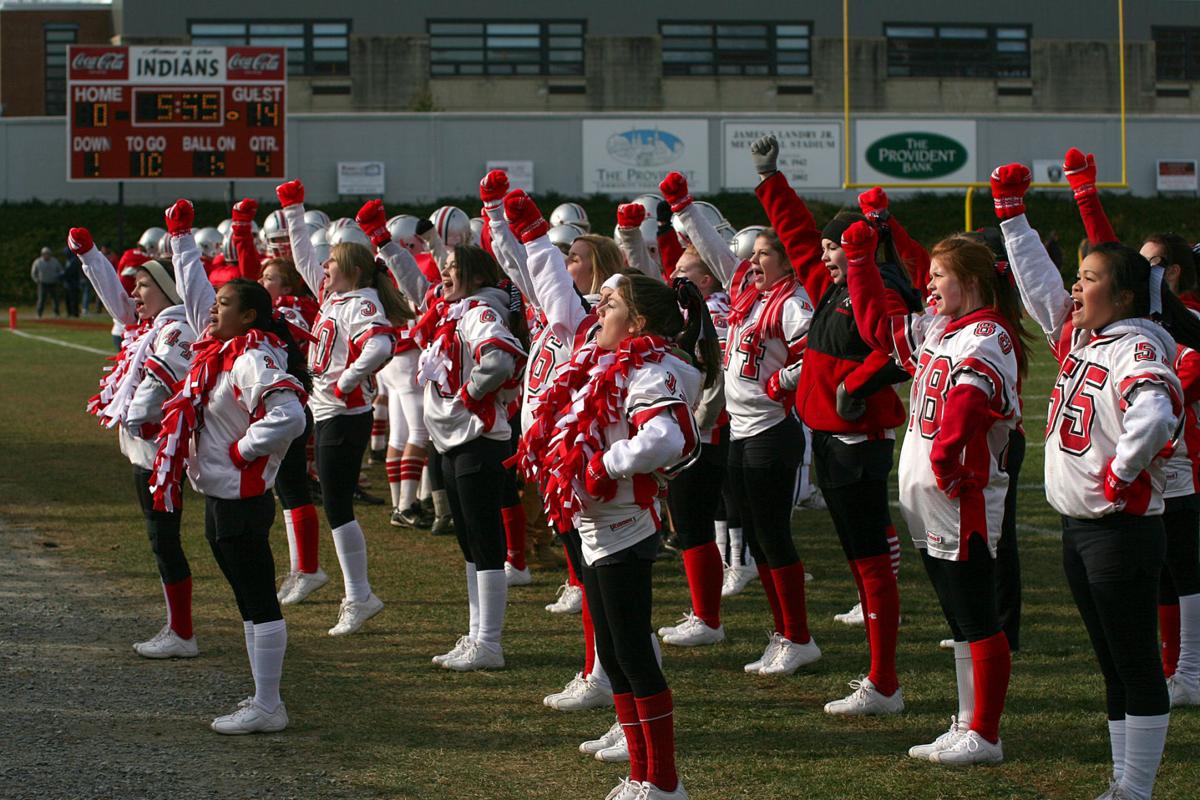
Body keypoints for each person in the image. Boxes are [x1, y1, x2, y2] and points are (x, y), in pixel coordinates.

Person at [996, 161, 1198, 799]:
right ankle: (1123, 785)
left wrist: (1120, 472)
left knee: (1134, 663)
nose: (1075, 292)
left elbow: (1158, 409)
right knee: (1113, 662)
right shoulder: (1089, 340)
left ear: (1128, 296)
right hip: (1082, 529)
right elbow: (1037, 288)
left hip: (1120, 530)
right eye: (1078, 279)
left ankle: (1135, 790)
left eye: (1088, 280)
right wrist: (1012, 216)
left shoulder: (1135, 343)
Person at [513, 190, 717, 800]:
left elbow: (670, 435)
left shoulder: (652, 369)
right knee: (619, 655)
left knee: (632, 653)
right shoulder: (602, 360)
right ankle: (640, 772)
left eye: (610, 303)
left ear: (641, 323)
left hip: (626, 525)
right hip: (596, 526)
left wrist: (605, 462)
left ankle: (665, 781)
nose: (597, 308)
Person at [849, 223, 1026, 763]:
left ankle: (985, 733)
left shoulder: (988, 333)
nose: (928, 285)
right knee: (959, 617)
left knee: (976, 615)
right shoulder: (944, 329)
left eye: (939, 276)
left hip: (961, 495)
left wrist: (946, 459)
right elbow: (879, 330)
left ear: (969, 280)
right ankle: (967, 720)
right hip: (931, 496)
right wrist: (859, 262)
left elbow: (972, 397)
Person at [150, 199, 308, 734]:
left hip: (242, 499)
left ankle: (270, 705)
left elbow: (290, 416)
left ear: (249, 316)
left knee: (258, 598)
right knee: (247, 599)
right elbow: (195, 292)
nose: (211, 311)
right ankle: (264, 698)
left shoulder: (252, 356)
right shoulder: (221, 349)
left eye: (223, 305)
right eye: (214, 304)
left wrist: (243, 451)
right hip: (221, 499)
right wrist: (181, 239)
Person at [662, 170, 819, 676]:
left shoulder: (792, 302)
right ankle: (784, 632)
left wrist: (782, 385)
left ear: (787, 261)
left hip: (772, 430)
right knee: (756, 533)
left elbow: (814, 352)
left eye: (763, 256)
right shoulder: (753, 296)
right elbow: (714, 251)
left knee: (773, 536)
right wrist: (684, 208)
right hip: (743, 431)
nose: (752, 263)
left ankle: (797, 635)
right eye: (752, 257)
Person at [362, 195, 528, 672]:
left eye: (453, 265)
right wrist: (385, 244)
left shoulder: (479, 311)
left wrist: (469, 397)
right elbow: (416, 285)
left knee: (484, 539)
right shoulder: (451, 309)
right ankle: (478, 634)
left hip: (477, 438)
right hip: (451, 440)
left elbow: (500, 358)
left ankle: (490, 642)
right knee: (469, 542)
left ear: (476, 276)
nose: (444, 271)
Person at [1065, 147, 1200, 709]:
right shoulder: (1151, 322)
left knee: (1186, 571)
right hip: (1159, 466)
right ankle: (1178, 667)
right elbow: (1111, 257)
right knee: (1169, 577)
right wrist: (1085, 195)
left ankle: (1189, 667)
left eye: (1146, 264)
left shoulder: (1175, 326)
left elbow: (1177, 392)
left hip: (1183, 465)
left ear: (1165, 275)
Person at [277, 179, 405, 636]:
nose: (322, 267)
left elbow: (380, 344)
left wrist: (349, 377)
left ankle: (359, 595)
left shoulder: (362, 301)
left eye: (331, 260)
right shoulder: (337, 296)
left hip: (345, 413)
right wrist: (293, 211)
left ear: (350, 267)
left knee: (338, 505)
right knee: (334, 503)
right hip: (329, 408)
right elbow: (302, 258)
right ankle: (356, 593)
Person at [70, 227, 198, 658]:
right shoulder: (153, 326)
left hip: (162, 456)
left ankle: (182, 634)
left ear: (165, 289)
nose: (134, 292)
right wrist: (89, 255)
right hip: (148, 454)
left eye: (143, 285)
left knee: (166, 541)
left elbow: (154, 391)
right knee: (160, 541)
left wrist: (130, 415)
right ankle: (178, 628)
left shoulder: (176, 328)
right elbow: (117, 301)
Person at [228, 197, 329, 607]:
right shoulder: (281, 308)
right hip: (281, 400)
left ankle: (307, 568)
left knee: (292, 488)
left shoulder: (290, 311)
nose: (261, 280)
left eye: (269, 277)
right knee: (286, 490)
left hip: (289, 402)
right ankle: (301, 567)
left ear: (285, 286)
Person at [32, 246, 64, 318]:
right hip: (42, 283)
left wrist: (58, 277)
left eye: (48, 254)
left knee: (55, 299)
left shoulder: (55, 261)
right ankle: (39, 314)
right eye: (45, 254)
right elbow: (33, 273)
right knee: (41, 299)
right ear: (42, 254)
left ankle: (56, 313)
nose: (46, 255)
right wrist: (37, 280)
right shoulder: (38, 262)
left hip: (53, 283)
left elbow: (61, 270)